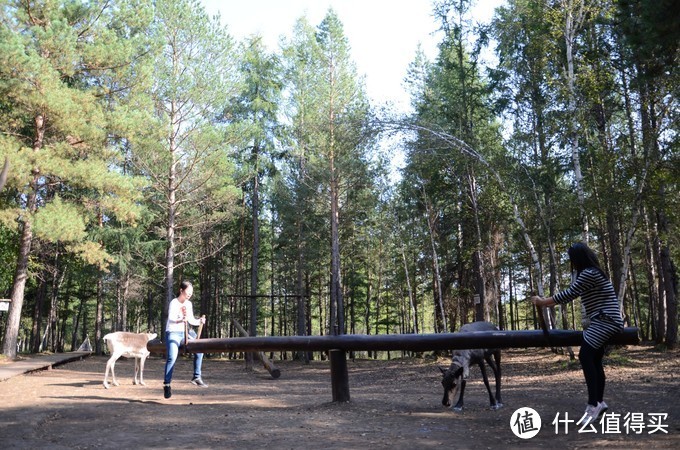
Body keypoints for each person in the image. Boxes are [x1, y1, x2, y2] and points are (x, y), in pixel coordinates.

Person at [530, 242, 624, 426]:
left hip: (605, 320)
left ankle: (592, 404)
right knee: (595, 360)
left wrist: (542, 302)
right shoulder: (594, 272)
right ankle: (599, 402)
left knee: (585, 355)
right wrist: (545, 303)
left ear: (577, 259)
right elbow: (568, 295)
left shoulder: (589, 273)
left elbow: (569, 294)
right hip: (604, 319)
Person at [163, 281, 208, 399]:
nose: (189, 295)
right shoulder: (174, 302)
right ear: (181, 290)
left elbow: (191, 319)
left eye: (191, 293)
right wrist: (180, 319)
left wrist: (199, 321)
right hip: (173, 333)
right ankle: (167, 384)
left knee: (199, 349)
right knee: (172, 357)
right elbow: (171, 318)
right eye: (188, 292)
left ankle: (196, 377)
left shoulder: (189, 304)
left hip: (184, 333)